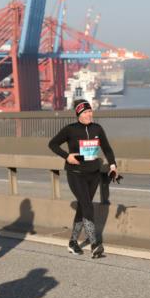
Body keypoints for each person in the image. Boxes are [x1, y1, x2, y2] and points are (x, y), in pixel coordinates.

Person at [48, 99, 117, 257]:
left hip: (93, 174)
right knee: (87, 206)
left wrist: (113, 165)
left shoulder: (97, 129)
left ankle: (73, 242)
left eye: (90, 111)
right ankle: (94, 244)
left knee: (82, 206)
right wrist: (67, 157)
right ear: (78, 114)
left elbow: (107, 148)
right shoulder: (70, 130)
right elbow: (52, 144)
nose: (89, 114)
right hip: (76, 174)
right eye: (85, 112)